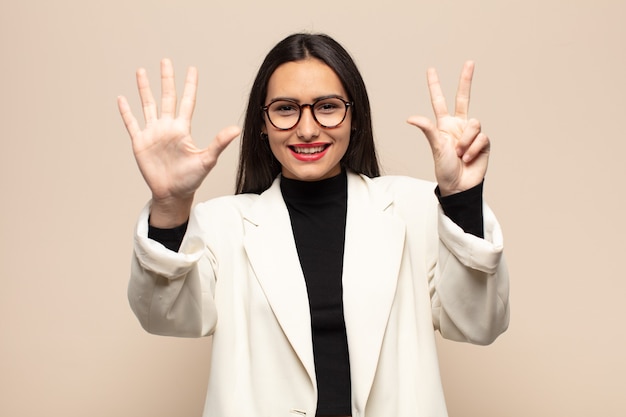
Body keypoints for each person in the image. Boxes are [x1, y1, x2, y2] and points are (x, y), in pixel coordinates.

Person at [117, 33, 509, 417]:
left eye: (327, 106)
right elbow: (162, 317)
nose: (306, 129)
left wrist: (461, 199)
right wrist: (169, 207)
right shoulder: (222, 224)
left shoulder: (414, 210)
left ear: (354, 118)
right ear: (263, 124)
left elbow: (480, 323)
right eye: (286, 109)